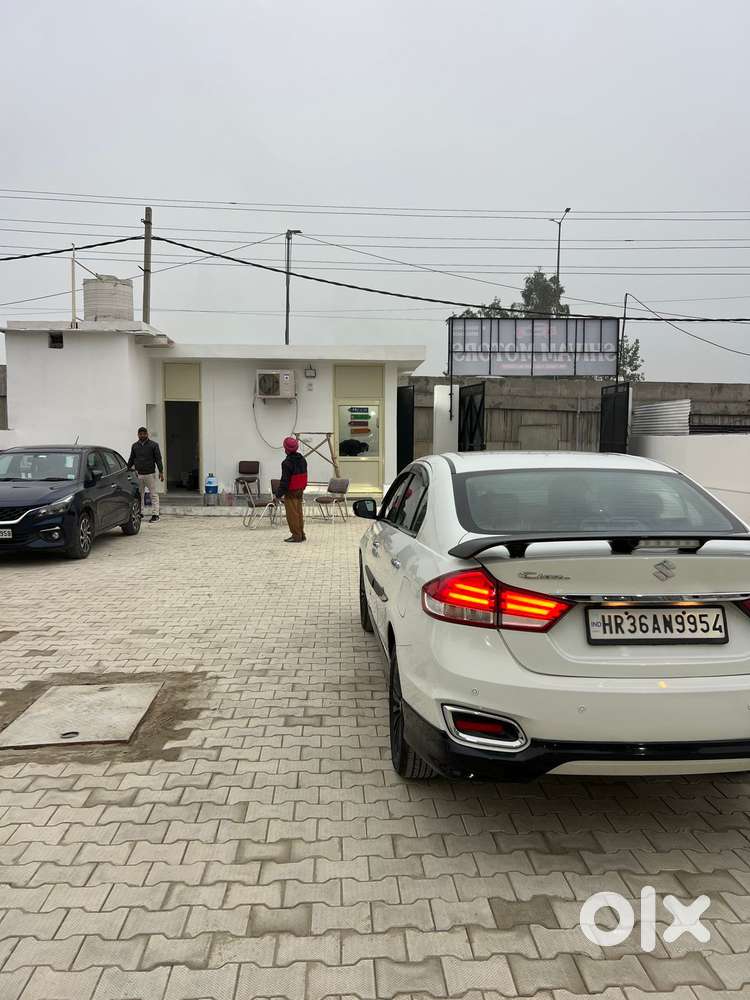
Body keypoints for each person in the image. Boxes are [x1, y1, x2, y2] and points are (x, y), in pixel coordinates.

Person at [127, 427, 164, 523]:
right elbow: (131, 459)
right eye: (140, 434)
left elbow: (158, 459)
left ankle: (156, 514)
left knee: (153, 494)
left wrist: (161, 471)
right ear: (138, 435)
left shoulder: (154, 445)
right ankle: (140, 513)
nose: (142, 435)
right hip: (138, 474)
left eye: (144, 434)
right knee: (140, 495)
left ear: (147, 434)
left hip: (150, 474)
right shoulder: (134, 446)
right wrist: (127, 469)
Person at [276, 436, 307, 543]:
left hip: (291, 491)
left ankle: (296, 536)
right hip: (300, 489)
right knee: (299, 512)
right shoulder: (302, 459)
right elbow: (305, 475)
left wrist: (278, 494)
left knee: (292, 514)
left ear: (286, 449)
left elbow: (285, 481)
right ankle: (302, 534)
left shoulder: (286, 463)